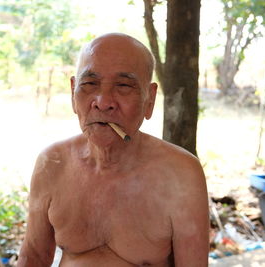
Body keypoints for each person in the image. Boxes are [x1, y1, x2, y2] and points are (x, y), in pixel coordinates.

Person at [18, 32, 209, 266]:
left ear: (149, 100)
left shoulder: (180, 173)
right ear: (72, 92)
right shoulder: (53, 162)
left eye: (123, 86)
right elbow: (34, 257)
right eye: (89, 84)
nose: (103, 101)